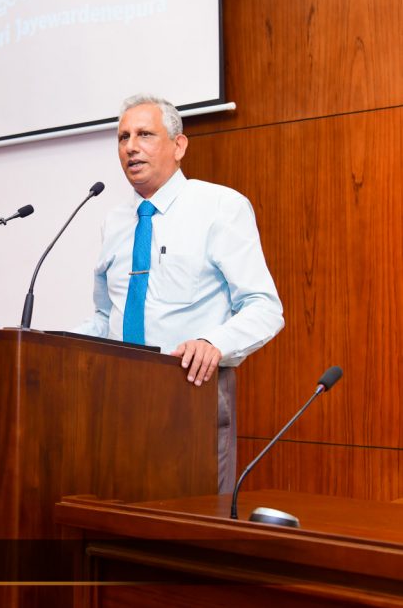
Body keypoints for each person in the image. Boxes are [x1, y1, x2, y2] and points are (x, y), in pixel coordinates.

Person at [75, 93, 284, 493]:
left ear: (179, 145)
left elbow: (264, 307)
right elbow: (107, 317)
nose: (131, 147)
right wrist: (44, 341)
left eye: (145, 134)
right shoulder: (115, 221)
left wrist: (213, 342)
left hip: (191, 391)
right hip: (116, 395)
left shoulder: (220, 207)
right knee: (120, 512)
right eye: (123, 137)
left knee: (192, 516)